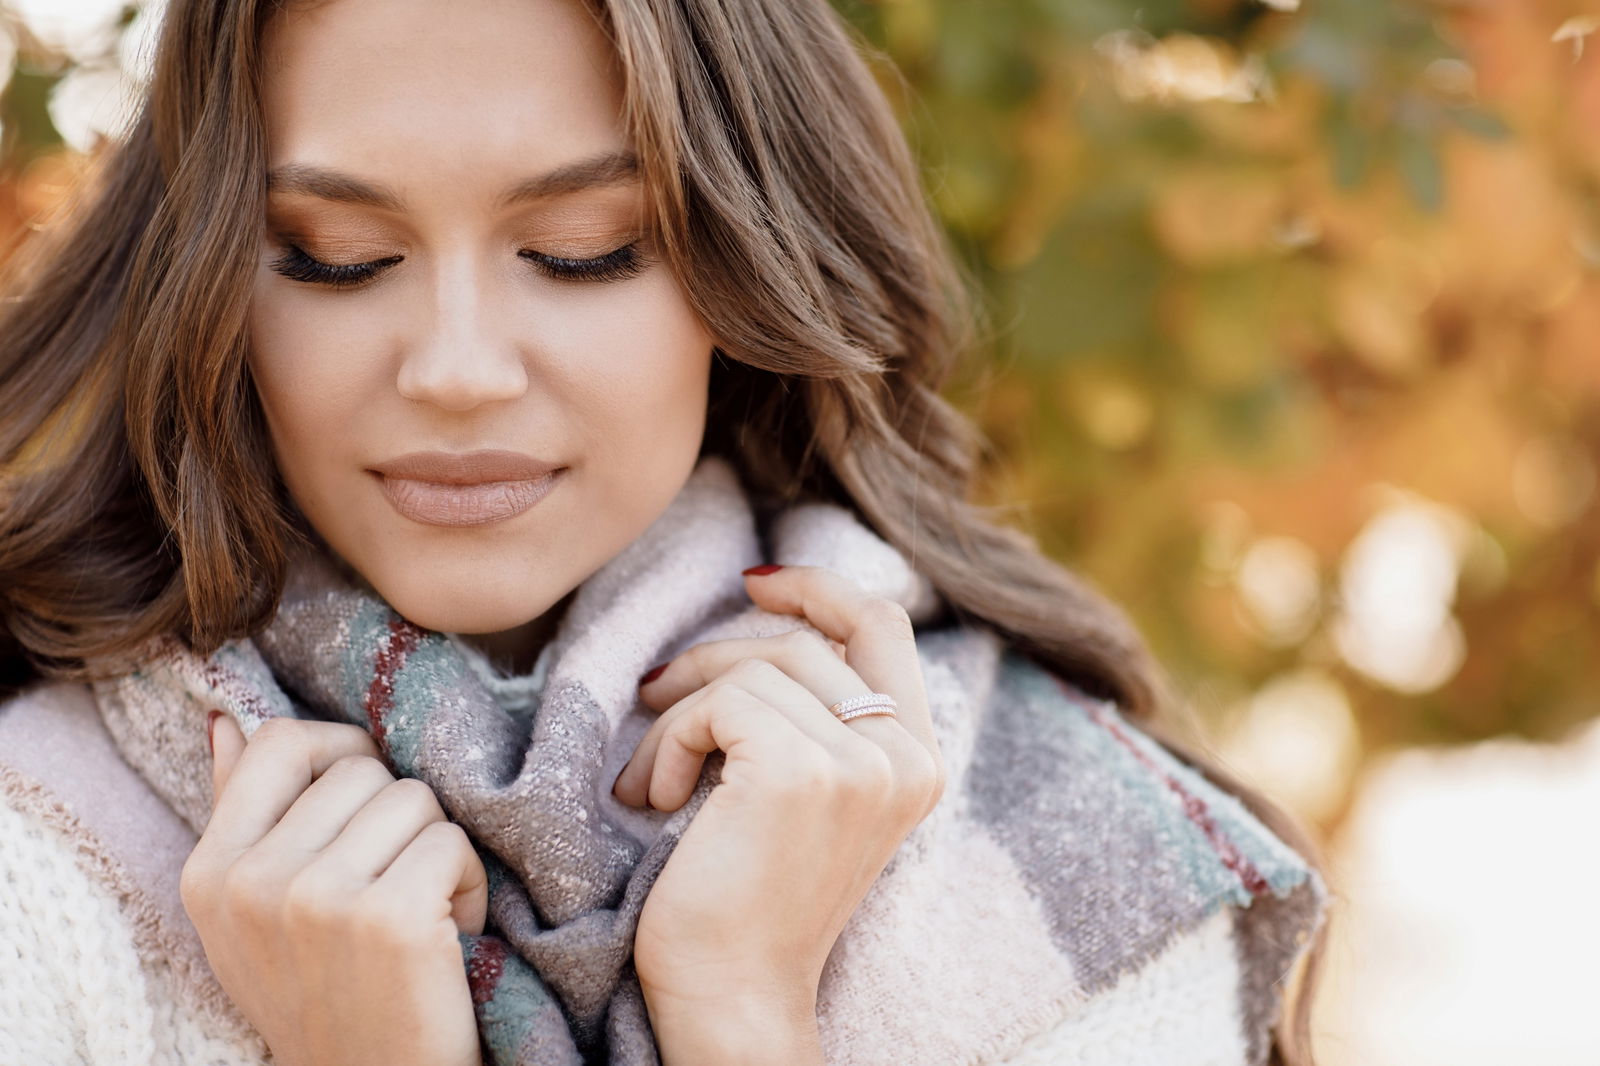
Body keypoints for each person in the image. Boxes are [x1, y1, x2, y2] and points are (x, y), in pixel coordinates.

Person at [0, 0, 1331, 1064]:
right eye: (337, 253)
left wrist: (740, 1011)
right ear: (207, 284)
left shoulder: (1077, 860)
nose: (457, 370)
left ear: (745, 274)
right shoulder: (40, 843)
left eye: (583, 249)